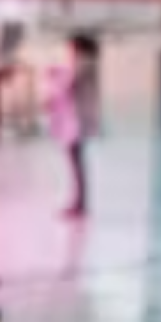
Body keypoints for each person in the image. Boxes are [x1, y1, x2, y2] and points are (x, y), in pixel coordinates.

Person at [48, 34, 102, 218]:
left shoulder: (84, 63)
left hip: (77, 122)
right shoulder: (85, 63)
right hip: (76, 121)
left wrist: (56, 76)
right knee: (76, 164)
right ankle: (78, 202)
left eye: (70, 48)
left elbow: (67, 84)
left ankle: (79, 204)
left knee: (76, 164)